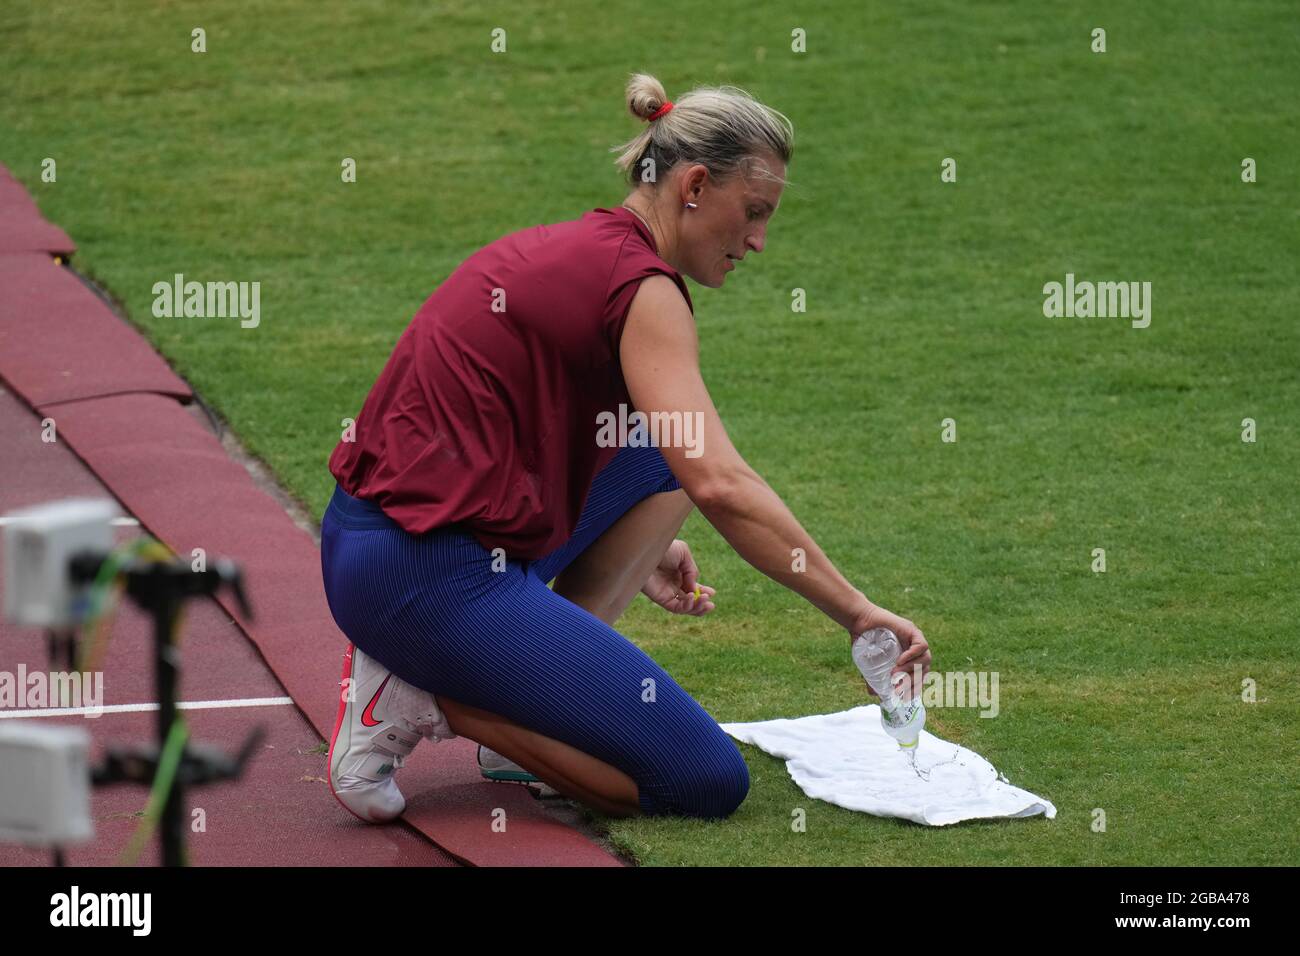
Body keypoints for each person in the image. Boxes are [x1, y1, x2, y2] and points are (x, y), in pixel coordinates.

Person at [320, 72, 932, 824]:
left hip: (378, 545)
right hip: (421, 575)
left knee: (655, 459)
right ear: (696, 186)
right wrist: (858, 613)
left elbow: (627, 455)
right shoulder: (645, 291)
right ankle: (429, 698)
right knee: (704, 782)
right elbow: (722, 486)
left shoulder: (587, 246)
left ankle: (523, 725)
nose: (759, 242)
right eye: (755, 213)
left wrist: (632, 537)